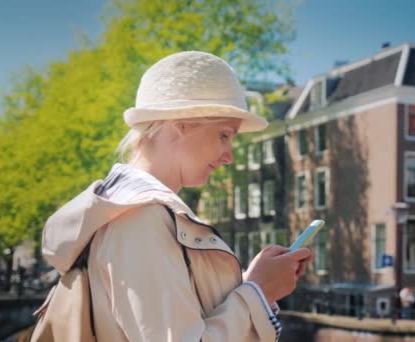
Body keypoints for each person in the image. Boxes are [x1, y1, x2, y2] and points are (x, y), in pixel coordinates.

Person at [41, 51, 313, 341]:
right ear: (180, 124)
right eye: (224, 135)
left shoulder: (129, 211)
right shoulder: (141, 219)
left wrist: (252, 284)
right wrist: (257, 293)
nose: (229, 156)